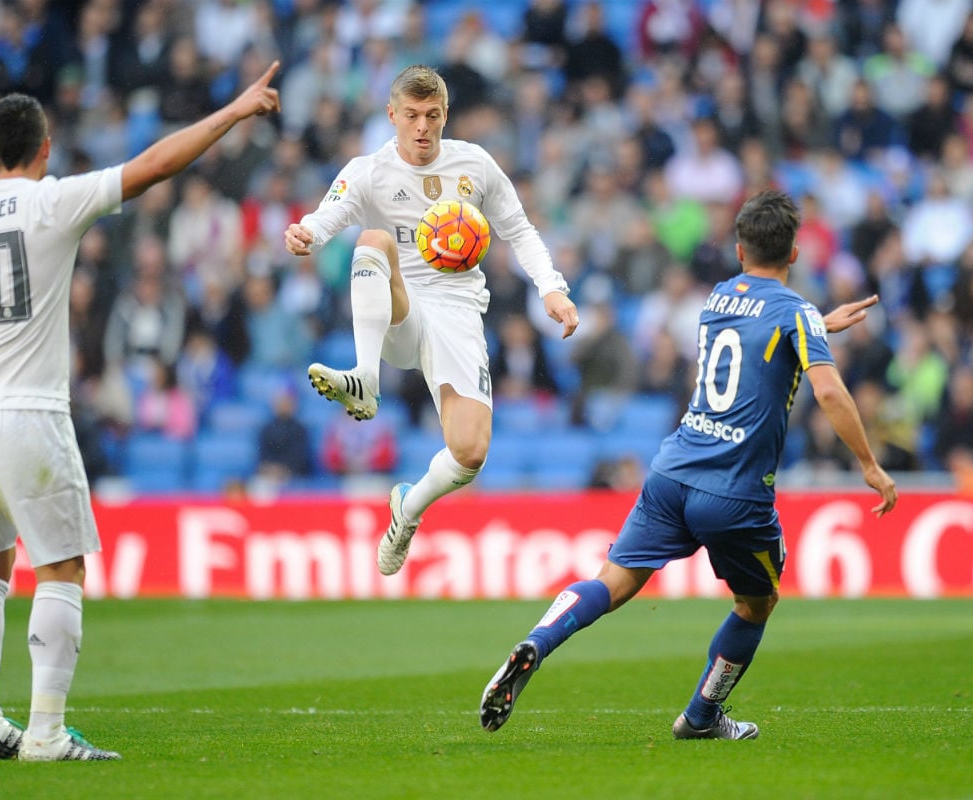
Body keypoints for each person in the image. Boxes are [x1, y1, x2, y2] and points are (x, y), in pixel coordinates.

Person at [0, 63, 281, 761]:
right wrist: (235, 112)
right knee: (61, 570)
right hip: (28, 415)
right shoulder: (54, 201)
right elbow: (155, 164)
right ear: (45, 148)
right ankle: (44, 731)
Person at [479, 190, 898, 740]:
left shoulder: (719, 297)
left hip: (673, 471)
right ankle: (701, 716)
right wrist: (869, 463)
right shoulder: (795, 313)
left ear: (740, 251)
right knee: (758, 602)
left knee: (615, 581)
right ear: (794, 253)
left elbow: (755, 333)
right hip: (735, 491)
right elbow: (829, 392)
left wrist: (817, 325)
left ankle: (539, 639)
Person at [283, 64, 578, 576]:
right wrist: (306, 233)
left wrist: (551, 288)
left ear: (446, 116)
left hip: (458, 311)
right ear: (392, 115)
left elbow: (521, 230)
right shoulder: (367, 171)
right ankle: (365, 378)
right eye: (413, 115)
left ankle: (408, 509)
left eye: (433, 115)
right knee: (372, 240)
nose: (423, 126)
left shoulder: (475, 166)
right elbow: (326, 216)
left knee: (470, 452)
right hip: (399, 304)